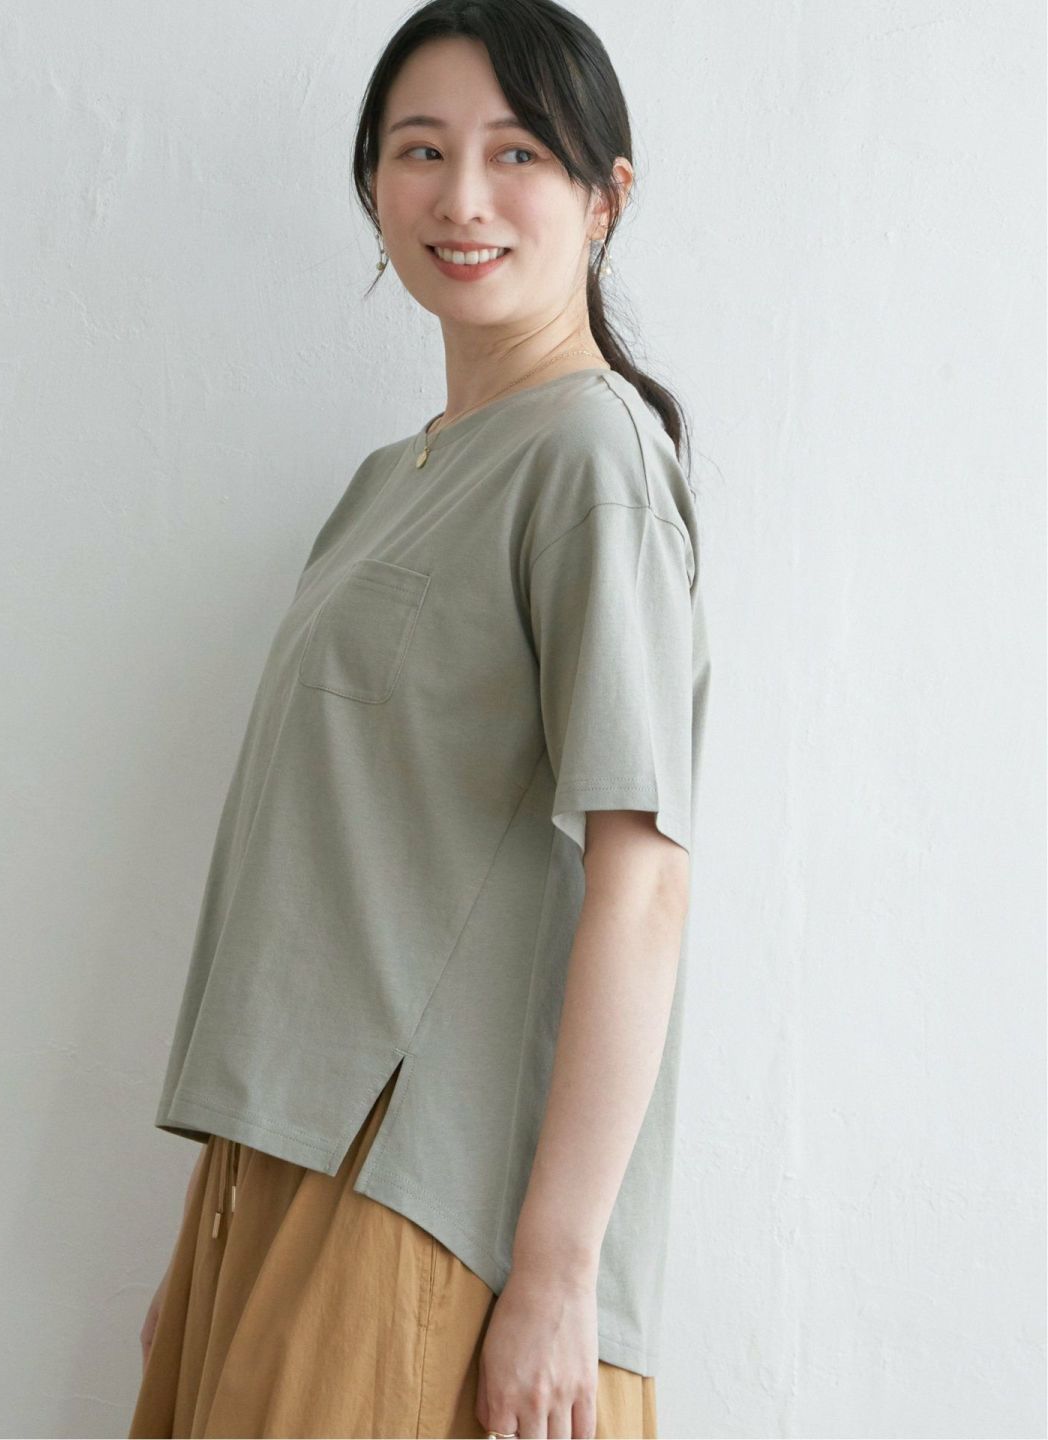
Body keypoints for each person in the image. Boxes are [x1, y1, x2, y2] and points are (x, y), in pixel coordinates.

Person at [129, 1, 710, 1436]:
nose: (462, 197)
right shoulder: (393, 478)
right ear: (374, 183)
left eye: (518, 153)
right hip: (286, 1163)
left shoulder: (590, 458)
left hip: (430, 1197)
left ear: (605, 196)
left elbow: (643, 883)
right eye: (421, 150)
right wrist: (214, 1235)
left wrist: (560, 1275)